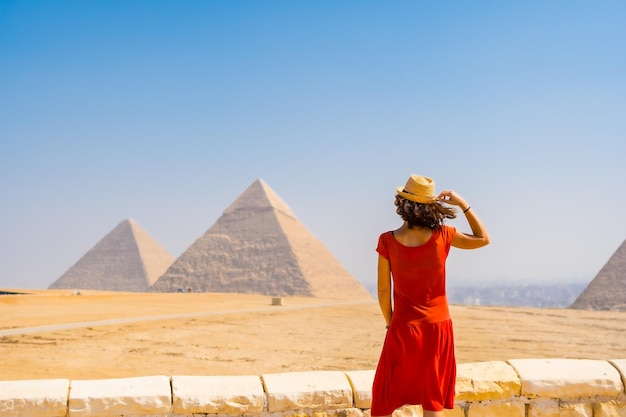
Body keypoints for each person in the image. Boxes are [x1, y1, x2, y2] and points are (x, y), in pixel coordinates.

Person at [371, 174, 490, 417]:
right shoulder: (444, 235)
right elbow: (483, 239)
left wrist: (390, 322)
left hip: (403, 325)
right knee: (432, 397)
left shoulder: (387, 241)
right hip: (438, 327)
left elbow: (383, 290)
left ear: (401, 205)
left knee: (386, 394)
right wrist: (462, 204)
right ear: (431, 207)